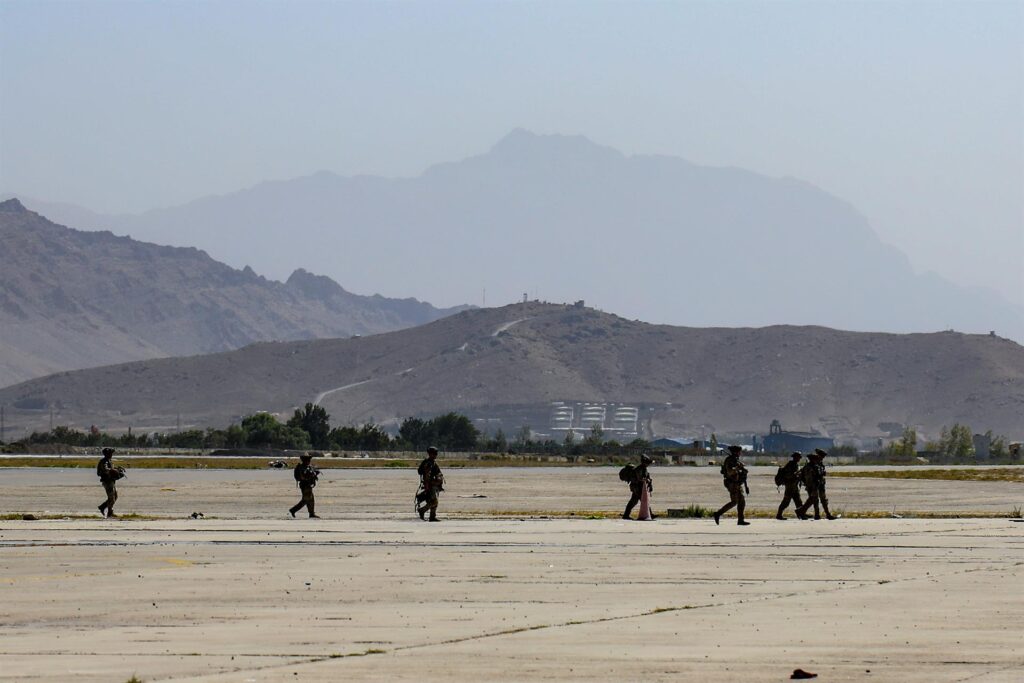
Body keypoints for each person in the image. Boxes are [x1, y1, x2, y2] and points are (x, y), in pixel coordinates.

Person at [796, 449, 836, 520]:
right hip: (813, 485)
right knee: (814, 500)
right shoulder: (810, 466)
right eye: (821, 456)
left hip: (819, 484)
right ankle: (806, 512)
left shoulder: (818, 464)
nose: (821, 458)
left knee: (822, 500)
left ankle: (825, 514)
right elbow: (810, 477)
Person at [713, 445, 750, 526]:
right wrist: (738, 468)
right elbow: (730, 472)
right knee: (734, 502)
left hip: (737, 483)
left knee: (742, 501)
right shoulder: (730, 460)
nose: (740, 453)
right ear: (736, 452)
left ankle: (740, 520)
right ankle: (718, 514)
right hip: (732, 483)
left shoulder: (735, 460)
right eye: (739, 452)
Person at [622, 453, 654, 520]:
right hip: (637, 487)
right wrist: (646, 480)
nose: (648, 464)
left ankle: (626, 515)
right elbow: (640, 479)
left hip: (639, 487)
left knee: (635, 501)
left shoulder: (644, 468)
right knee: (643, 501)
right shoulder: (639, 469)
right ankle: (650, 514)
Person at [416, 446, 444, 521]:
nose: (435, 455)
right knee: (434, 501)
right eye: (434, 453)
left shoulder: (434, 463)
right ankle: (422, 510)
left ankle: (432, 516)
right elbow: (420, 471)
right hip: (429, 485)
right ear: (430, 454)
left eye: (436, 454)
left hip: (434, 484)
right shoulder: (426, 462)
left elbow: (438, 473)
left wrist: (439, 479)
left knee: (433, 501)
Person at [289, 453, 320, 518]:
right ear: (305, 460)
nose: (309, 460)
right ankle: (293, 510)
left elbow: (312, 473)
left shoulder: (308, 467)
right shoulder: (301, 468)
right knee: (306, 500)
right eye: (308, 459)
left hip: (308, 485)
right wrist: (311, 475)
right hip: (305, 485)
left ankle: (311, 514)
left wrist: (315, 473)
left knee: (311, 500)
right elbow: (303, 477)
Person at [96, 447, 124, 518]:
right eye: (110, 453)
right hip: (107, 482)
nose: (112, 454)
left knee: (115, 496)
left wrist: (117, 468)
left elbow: (111, 469)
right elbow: (106, 469)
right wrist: (113, 470)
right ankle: (109, 513)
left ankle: (102, 507)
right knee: (112, 498)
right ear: (107, 454)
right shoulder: (104, 461)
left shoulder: (109, 460)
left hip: (111, 481)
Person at [775, 452, 804, 520]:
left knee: (798, 501)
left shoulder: (795, 464)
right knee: (786, 502)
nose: (799, 459)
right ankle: (779, 515)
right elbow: (788, 476)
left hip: (794, 486)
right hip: (790, 486)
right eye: (798, 457)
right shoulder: (790, 465)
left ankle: (801, 515)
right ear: (795, 457)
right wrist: (796, 474)